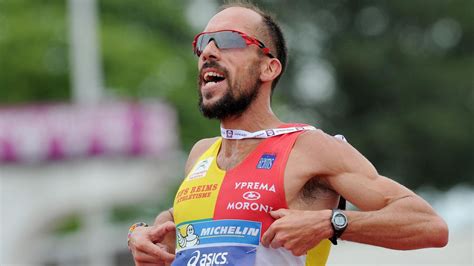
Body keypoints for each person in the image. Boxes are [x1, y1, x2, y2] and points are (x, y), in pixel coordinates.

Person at [128, 2, 448, 266]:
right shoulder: (201, 154)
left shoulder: (308, 147)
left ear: (269, 68)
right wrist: (143, 234)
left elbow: (428, 225)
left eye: (228, 40)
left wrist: (330, 224)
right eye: (202, 43)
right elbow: (180, 221)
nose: (208, 52)